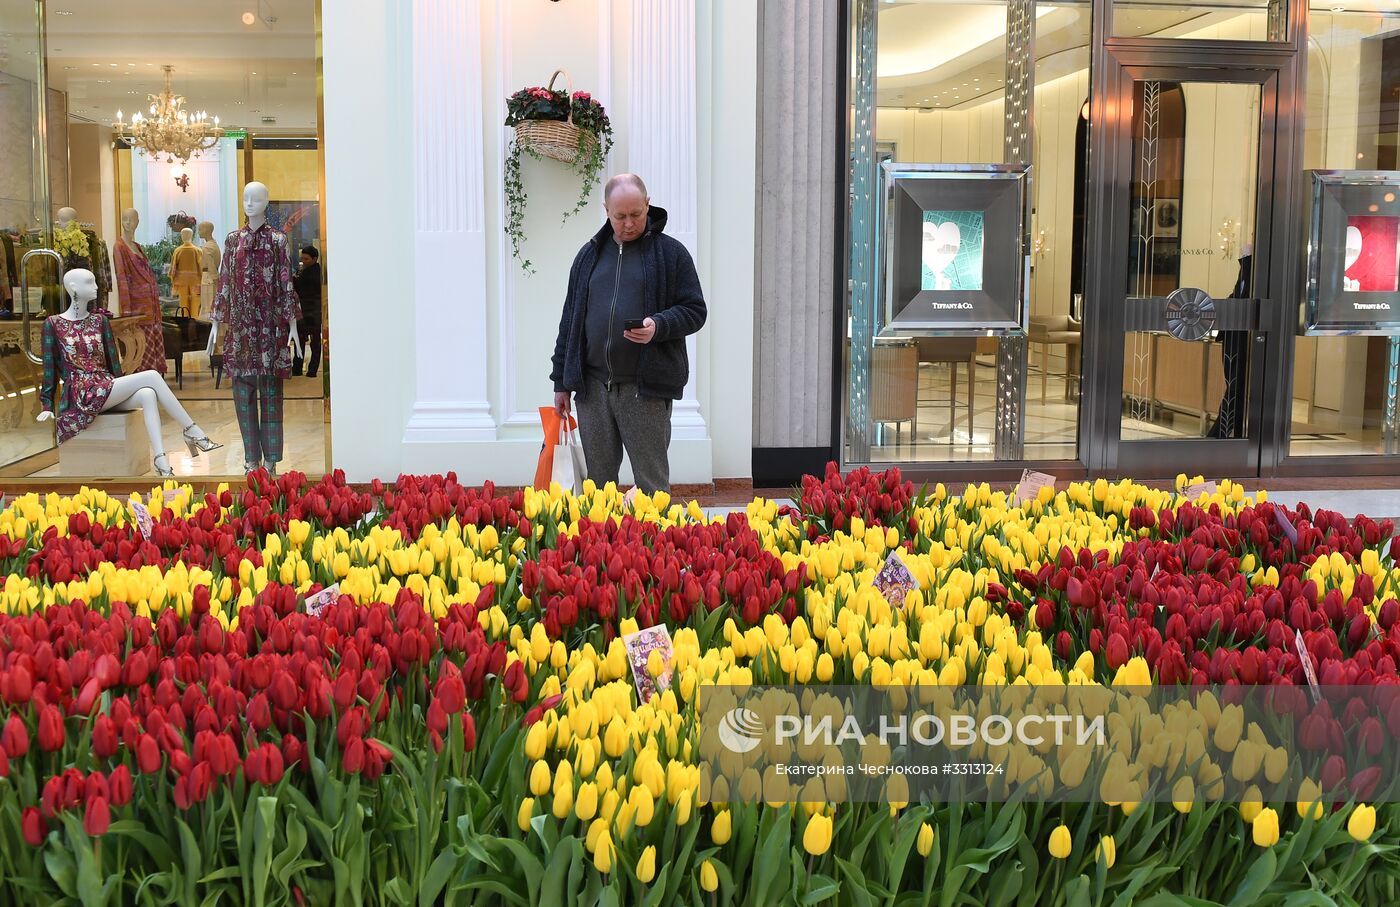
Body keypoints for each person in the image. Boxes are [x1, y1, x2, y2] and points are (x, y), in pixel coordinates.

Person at [550, 173, 706, 494]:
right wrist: (561, 383)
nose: (629, 223)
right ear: (606, 209)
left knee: (652, 488)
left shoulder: (671, 255)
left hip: (645, 391)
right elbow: (570, 322)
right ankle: (600, 545)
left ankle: (655, 545)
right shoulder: (587, 257)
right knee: (597, 489)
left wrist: (658, 326)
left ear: (648, 205)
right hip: (592, 391)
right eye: (620, 216)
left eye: (636, 213)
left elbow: (695, 310)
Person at [291, 245, 323, 378]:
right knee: (308, 340)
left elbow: (299, 286)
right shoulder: (308, 271)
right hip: (309, 310)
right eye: (302, 258)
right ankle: (309, 369)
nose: (304, 261)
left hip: (311, 310)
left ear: (315, 259)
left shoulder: (312, 273)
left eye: (307, 259)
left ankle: (300, 368)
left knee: (307, 340)